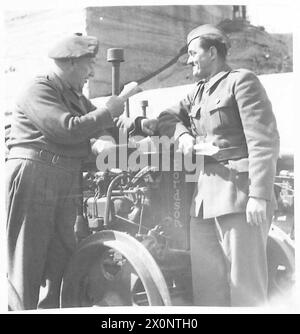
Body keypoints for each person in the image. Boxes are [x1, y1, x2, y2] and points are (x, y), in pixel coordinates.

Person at [5, 33, 132, 310]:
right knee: (29, 262)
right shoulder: (39, 90)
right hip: (36, 175)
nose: (92, 72)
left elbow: (100, 124)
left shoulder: (73, 96)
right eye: (89, 64)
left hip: (63, 178)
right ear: (73, 62)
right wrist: (107, 113)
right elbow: (67, 129)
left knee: (61, 261)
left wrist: (122, 130)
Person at [158, 24, 280, 306]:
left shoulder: (242, 81)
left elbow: (263, 140)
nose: (189, 60)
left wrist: (259, 195)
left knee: (245, 288)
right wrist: (183, 135)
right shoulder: (197, 93)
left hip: (239, 196)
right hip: (203, 203)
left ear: (212, 52)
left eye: (192, 53)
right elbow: (166, 117)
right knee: (207, 290)